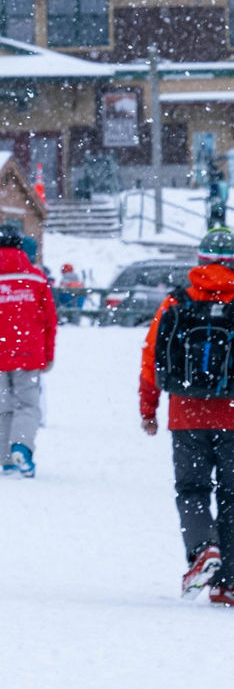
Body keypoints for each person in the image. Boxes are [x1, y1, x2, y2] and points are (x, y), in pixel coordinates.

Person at [139, 227, 234, 605]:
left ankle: (203, 548)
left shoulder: (176, 303)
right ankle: (227, 583)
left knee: (192, 489)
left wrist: (148, 409)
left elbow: (151, 360)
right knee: (232, 496)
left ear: (200, 260)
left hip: (187, 413)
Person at [0, 224, 57, 477]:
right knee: (28, 404)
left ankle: (6, 459)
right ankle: (22, 448)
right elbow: (50, 320)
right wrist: (49, 354)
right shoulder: (37, 278)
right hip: (30, 352)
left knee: (5, 403)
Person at [207, 158, 227, 230]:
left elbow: (213, 195)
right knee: (222, 223)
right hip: (222, 206)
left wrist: (210, 199)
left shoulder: (215, 185)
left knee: (211, 224)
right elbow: (226, 196)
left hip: (215, 206)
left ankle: (211, 235)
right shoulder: (224, 185)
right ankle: (223, 235)